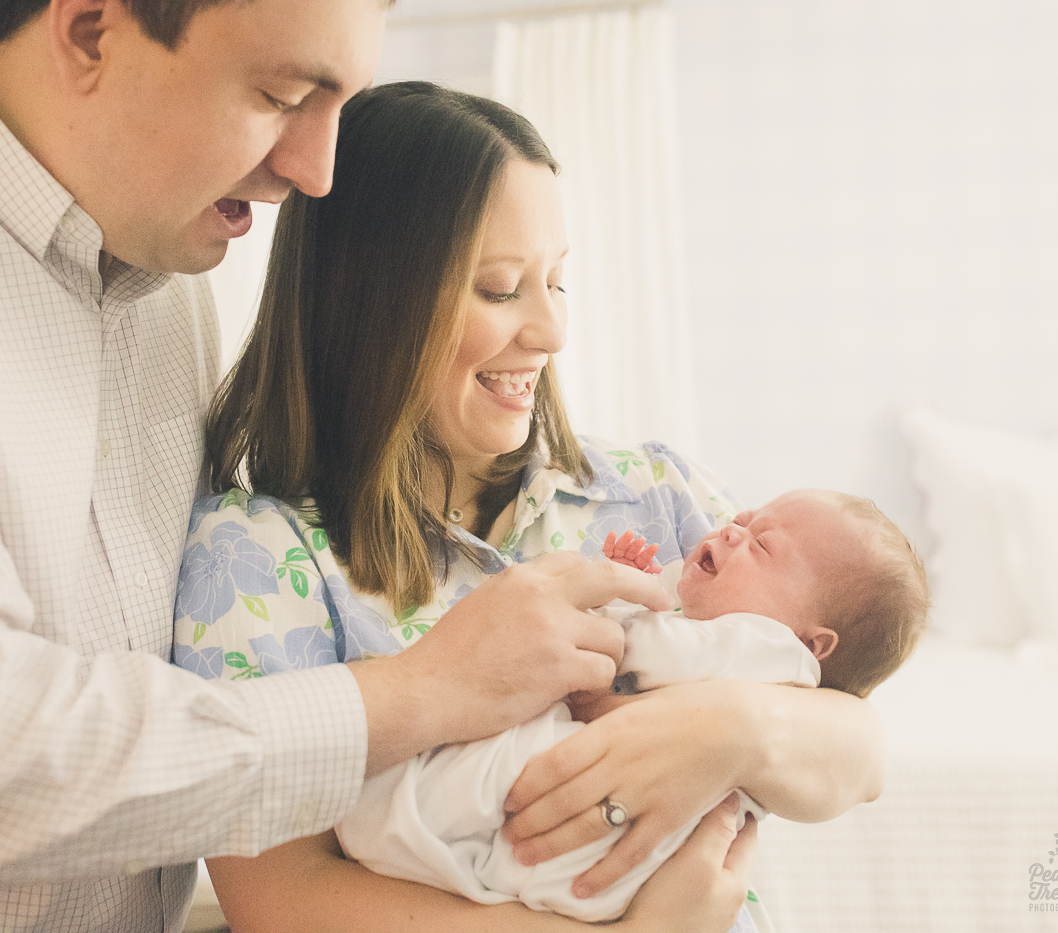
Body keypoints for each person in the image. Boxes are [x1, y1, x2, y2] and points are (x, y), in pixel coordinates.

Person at [0, 3, 678, 930]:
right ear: (93, 29)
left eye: (340, 104)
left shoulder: (163, 282)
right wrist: (426, 690)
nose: (317, 173)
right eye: (280, 94)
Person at [175, 81, 888, 932]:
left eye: (558, 281)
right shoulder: (251, 559)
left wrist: (730, 725)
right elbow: (280, 897)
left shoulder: (656, 497)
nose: (551, 332)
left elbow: (862, 748)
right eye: (502, 288)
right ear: (373, 302)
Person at [336, 490, 929, 922]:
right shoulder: (723, 631)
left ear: (813, 642)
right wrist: (630, 586)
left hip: (635, 848)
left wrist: (612, 614)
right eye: (742, 520)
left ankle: (397, 810)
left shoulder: (774, 653)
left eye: (763, 546)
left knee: (509, 769)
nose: (729, 532)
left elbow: (644, 653)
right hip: (623, 875)